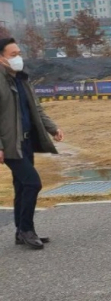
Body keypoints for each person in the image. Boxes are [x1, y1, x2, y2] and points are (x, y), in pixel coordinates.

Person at [0, 37, 64, 249]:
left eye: (19, 53)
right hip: (11, 144)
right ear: (1, 58)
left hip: (26, 142)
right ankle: (27, 230)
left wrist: (52, 128)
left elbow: (36, 109)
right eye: (13, 54)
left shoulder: (22, 78)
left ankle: (21, 232)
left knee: (21, 186)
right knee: (32, 183)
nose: (18, 58)